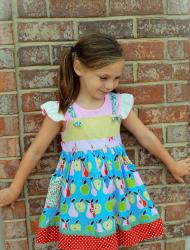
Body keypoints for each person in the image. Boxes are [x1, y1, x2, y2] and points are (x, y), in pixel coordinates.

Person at [0, 33, 189, 250]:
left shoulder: (118, 105)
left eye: (116, 78)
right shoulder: (63, 111)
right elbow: (36, 151)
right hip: (78, 190)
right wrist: (15, 189)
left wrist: (172, 164)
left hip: (115, 187)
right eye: (104, 77)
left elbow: (145, 136)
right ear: (79, 68)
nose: (110, 84)